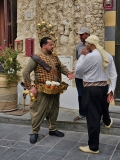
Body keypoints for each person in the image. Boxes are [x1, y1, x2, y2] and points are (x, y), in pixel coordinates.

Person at [22, 37, 74, 144]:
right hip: (41, 89)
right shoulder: (36, 57)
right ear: (44, 46)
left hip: (55, 89)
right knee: (38, 111)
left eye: (53, 44)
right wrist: (31, 87)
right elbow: (25, 72)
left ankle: (53, 129)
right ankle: (35, 132)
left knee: (54, 109)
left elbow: (61, 67)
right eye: (50, 44)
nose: (53, 46)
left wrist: (67, 72)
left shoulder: (54, 56)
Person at [75, 35, 117, 154]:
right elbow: (114, 75)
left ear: (91, 45)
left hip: (91, 89)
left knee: (93, 117)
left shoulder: (89, 56)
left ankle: (93, 147)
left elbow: (78, 71)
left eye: (87, 44)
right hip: (104, 87)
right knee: (102, 107)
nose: (85, 46)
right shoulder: (108, 55)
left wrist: (82, 56)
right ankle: (107, 121)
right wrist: (111, 90)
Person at [74, 27, 90, 121]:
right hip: (79, 76)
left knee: (89, 94)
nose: (80, 36)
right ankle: (81, 113)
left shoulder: (93, 46)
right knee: (80, 95)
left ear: (87, 35)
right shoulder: (78, 47)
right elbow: (78, 58)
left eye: (82, 34)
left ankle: (90, 113)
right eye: (80, 34)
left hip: (89, 77)